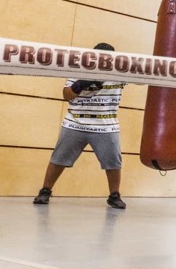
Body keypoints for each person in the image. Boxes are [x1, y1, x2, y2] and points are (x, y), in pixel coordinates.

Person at [32, 43, 127, 210]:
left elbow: (144, 76)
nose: (102, 61)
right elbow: (66, 95)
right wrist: (80, 84)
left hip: (106, 126)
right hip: (75, 123)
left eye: (106, 59)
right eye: (99, 58)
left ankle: (114, 195)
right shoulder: (78, 70)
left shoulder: (120, 73)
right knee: (58, 159)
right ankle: (45, 191)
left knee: (113, 162)